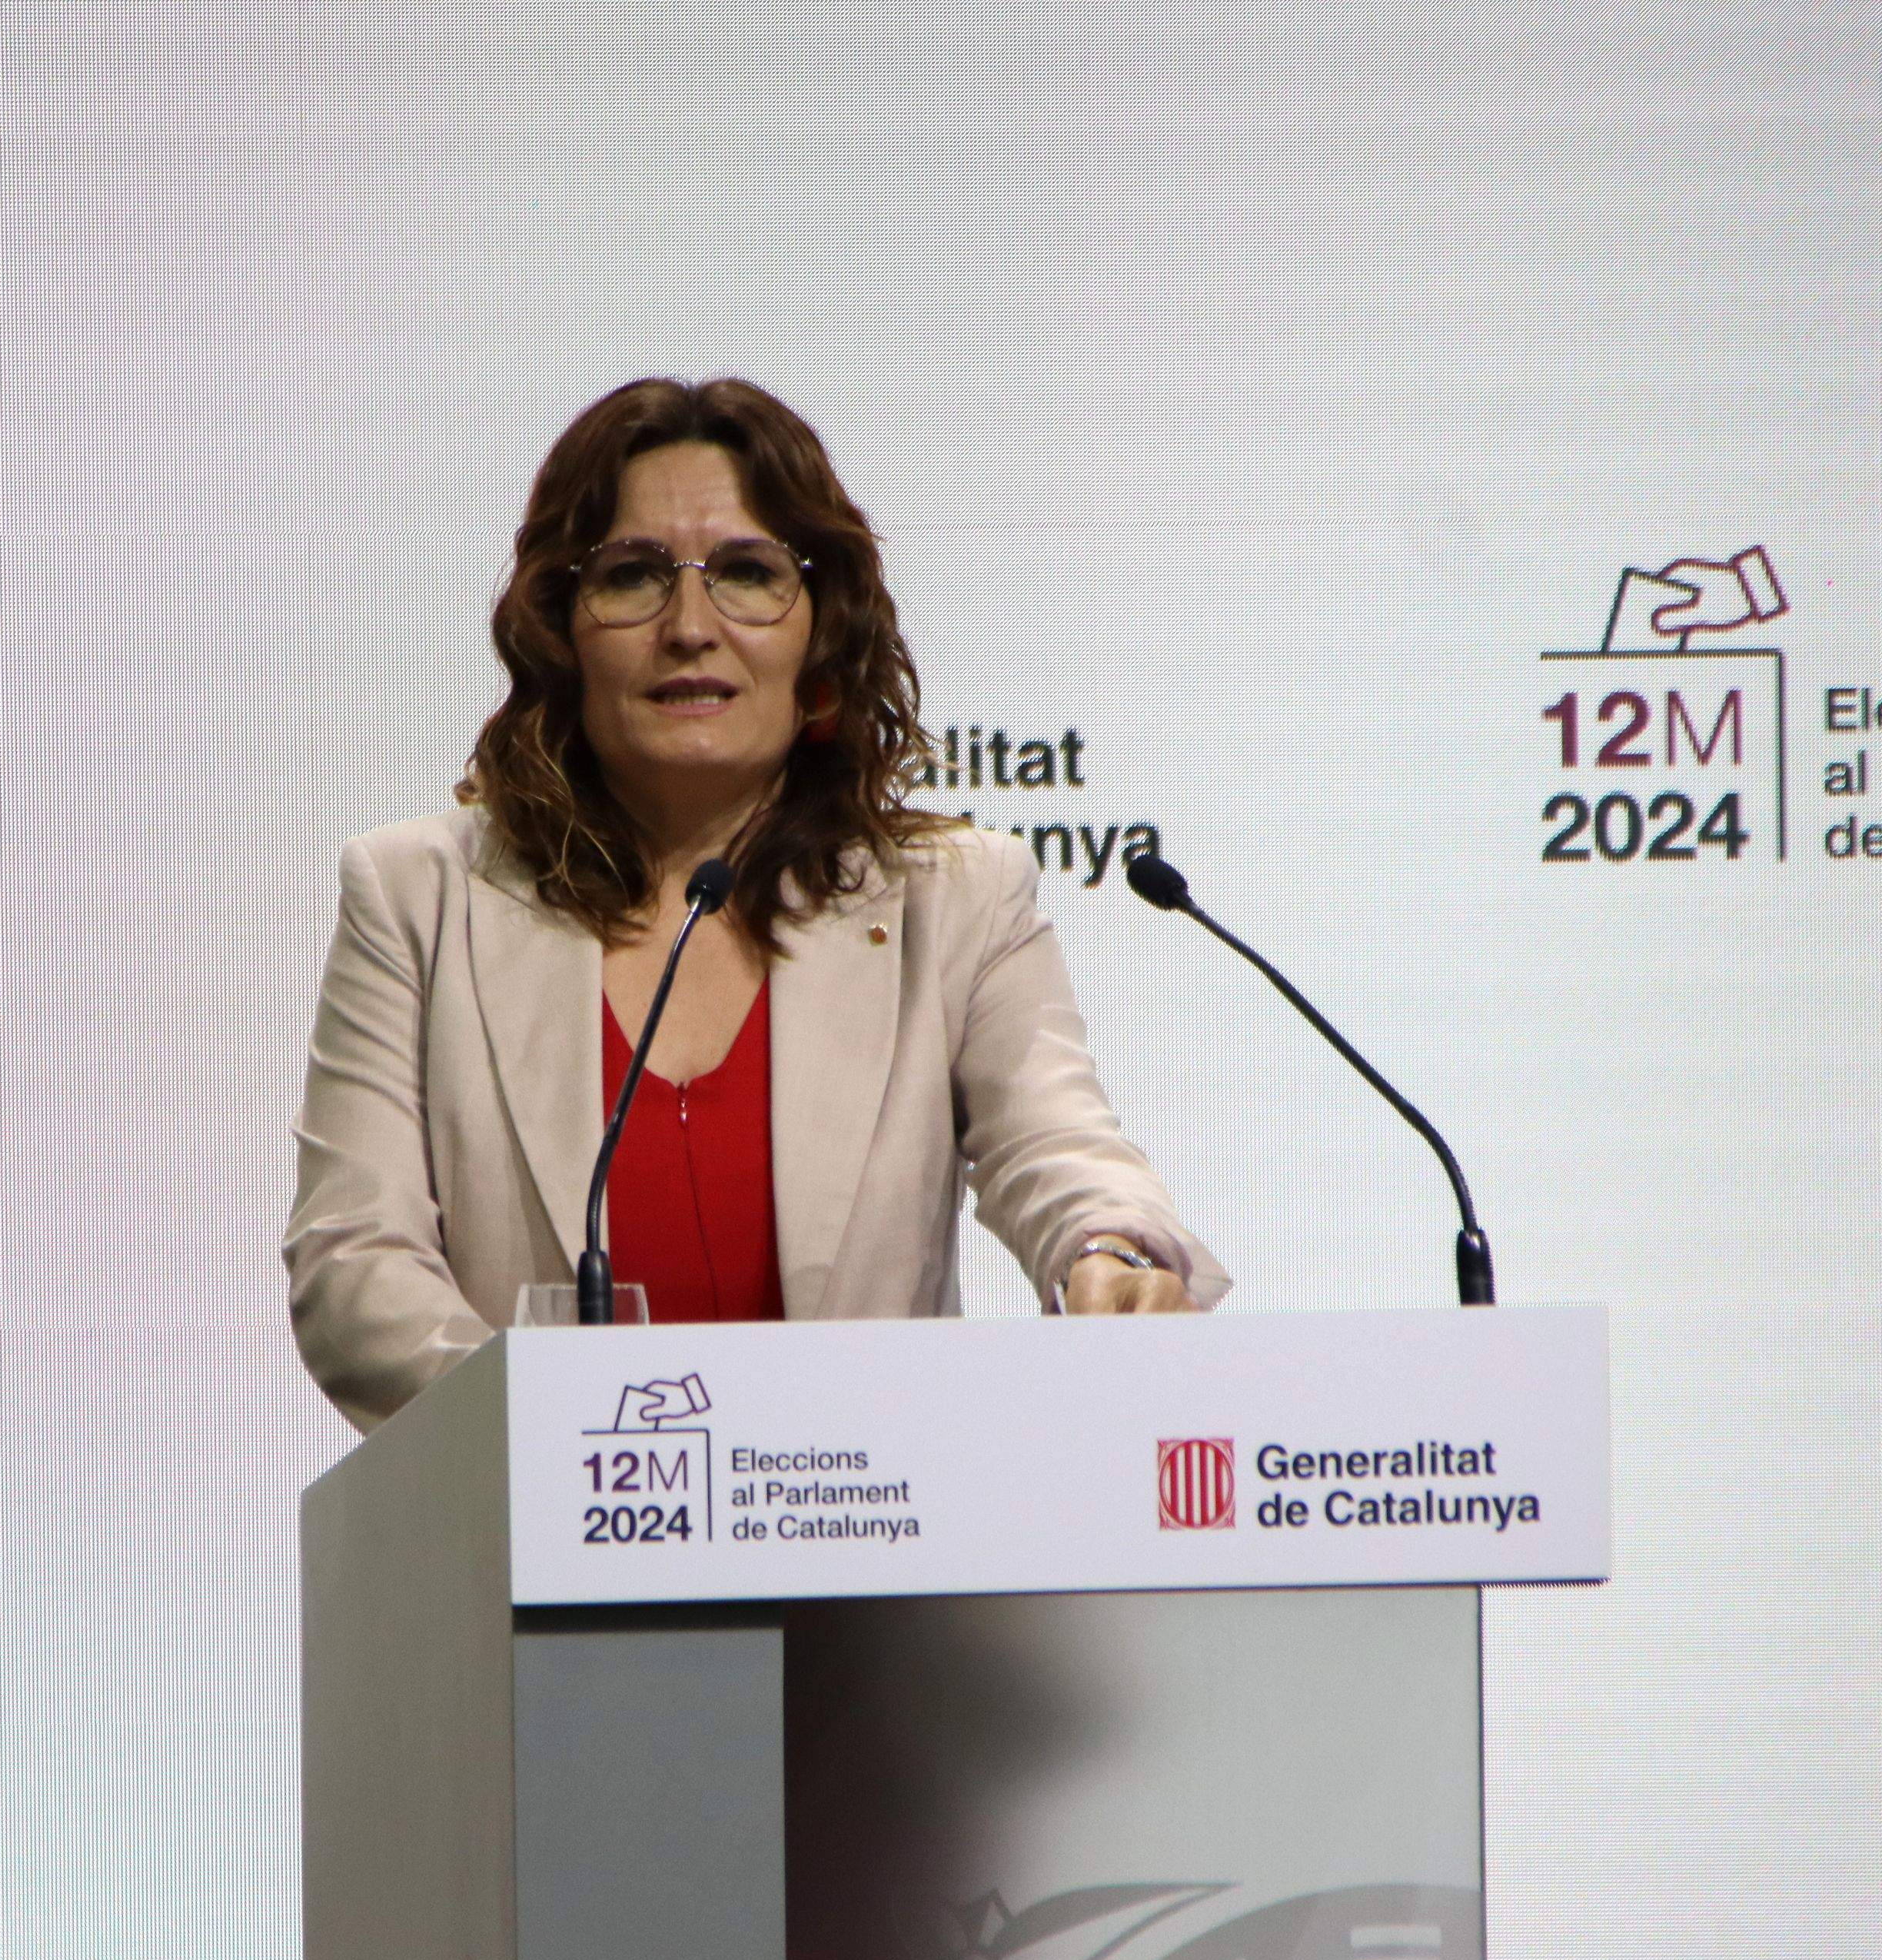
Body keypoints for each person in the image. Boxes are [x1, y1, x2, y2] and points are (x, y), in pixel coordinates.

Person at [285, 376, 1224, 1432]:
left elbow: (1062, 1148)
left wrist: (1112, 1253)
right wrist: (574, 1444)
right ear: (561, 632)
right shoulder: (418, 898)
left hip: (868, 1557)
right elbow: (353, 1269)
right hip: (539, 1555)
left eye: (747, 573)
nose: (691, 627)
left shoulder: (955, 897)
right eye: (635, 577)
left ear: (821, 637)